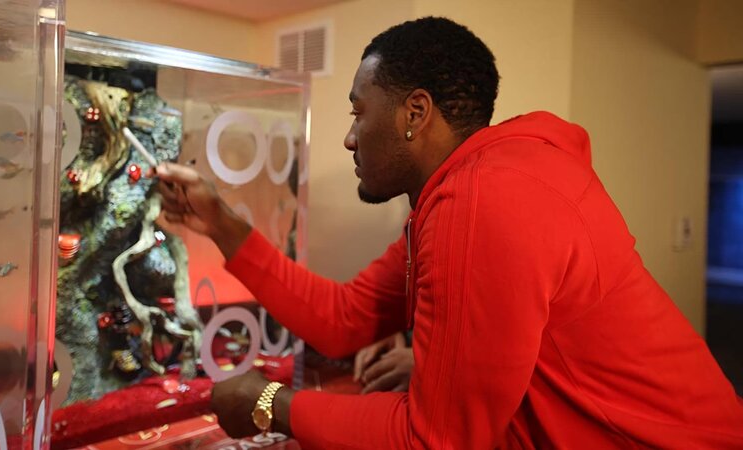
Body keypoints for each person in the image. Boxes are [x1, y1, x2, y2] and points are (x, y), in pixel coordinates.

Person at [157, 16, 743, 449]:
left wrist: (268, 403)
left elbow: (434, 441)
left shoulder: (484, 199)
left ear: (415, 113)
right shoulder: (461, 196)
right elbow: (343, 320)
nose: (349, 137)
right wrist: (219, 222)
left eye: (359, 111)